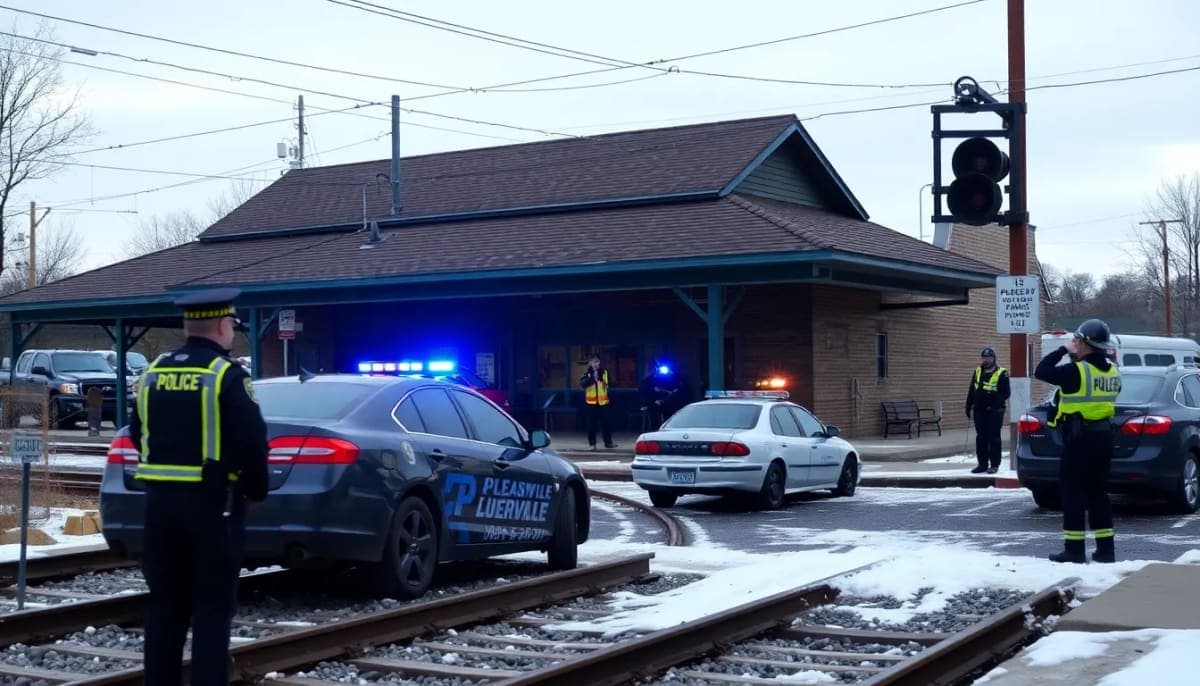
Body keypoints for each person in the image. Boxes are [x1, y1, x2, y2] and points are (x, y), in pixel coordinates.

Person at [132, 287, 269, 684]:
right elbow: (252, 443)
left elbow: (137, 429)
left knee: (164, 606)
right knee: (211, 608)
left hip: (158, 508)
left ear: (187, 326)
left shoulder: (152, 373)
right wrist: (256, 491)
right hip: (213, 508)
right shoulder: (226, 376)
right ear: (224, 326)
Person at [1035, 318, 1121, 564]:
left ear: (1084, 343)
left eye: (1077, 341)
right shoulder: (1113, 370)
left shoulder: (1077, 371)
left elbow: (1041, 370)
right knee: (1098, 494)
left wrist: (1064, 350)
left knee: (1073, 494)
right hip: (1104, 439)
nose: (1074, 344)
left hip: (1079, 439)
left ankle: (1074, 550)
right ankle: (1106, 551)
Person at [965, 347, 1011, 474]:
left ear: (994, 358)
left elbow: (1006, 393)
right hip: (980, 410)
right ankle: (982, 464)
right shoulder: (978, 370)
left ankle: (994, 465)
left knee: (993, 438)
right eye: (984, 358)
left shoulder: (1002, 373)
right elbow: (972, 390)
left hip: (994, 411)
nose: (986, 360)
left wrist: (994, 403)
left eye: (989, 358)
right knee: (981, 438)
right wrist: (968, 406)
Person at [580, 352, 616, 450]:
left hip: (603, 402)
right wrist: (592, 379)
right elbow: (582, 384)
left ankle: (608, 443)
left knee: (606, 424)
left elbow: (609, 384)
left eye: (597, 361)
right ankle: (592, 444)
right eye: (593, 362)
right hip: (591, 404)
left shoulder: (604, 372)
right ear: (590, 363)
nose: (595, 364)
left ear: (599, 362)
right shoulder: (587, 374)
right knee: (592, 426)